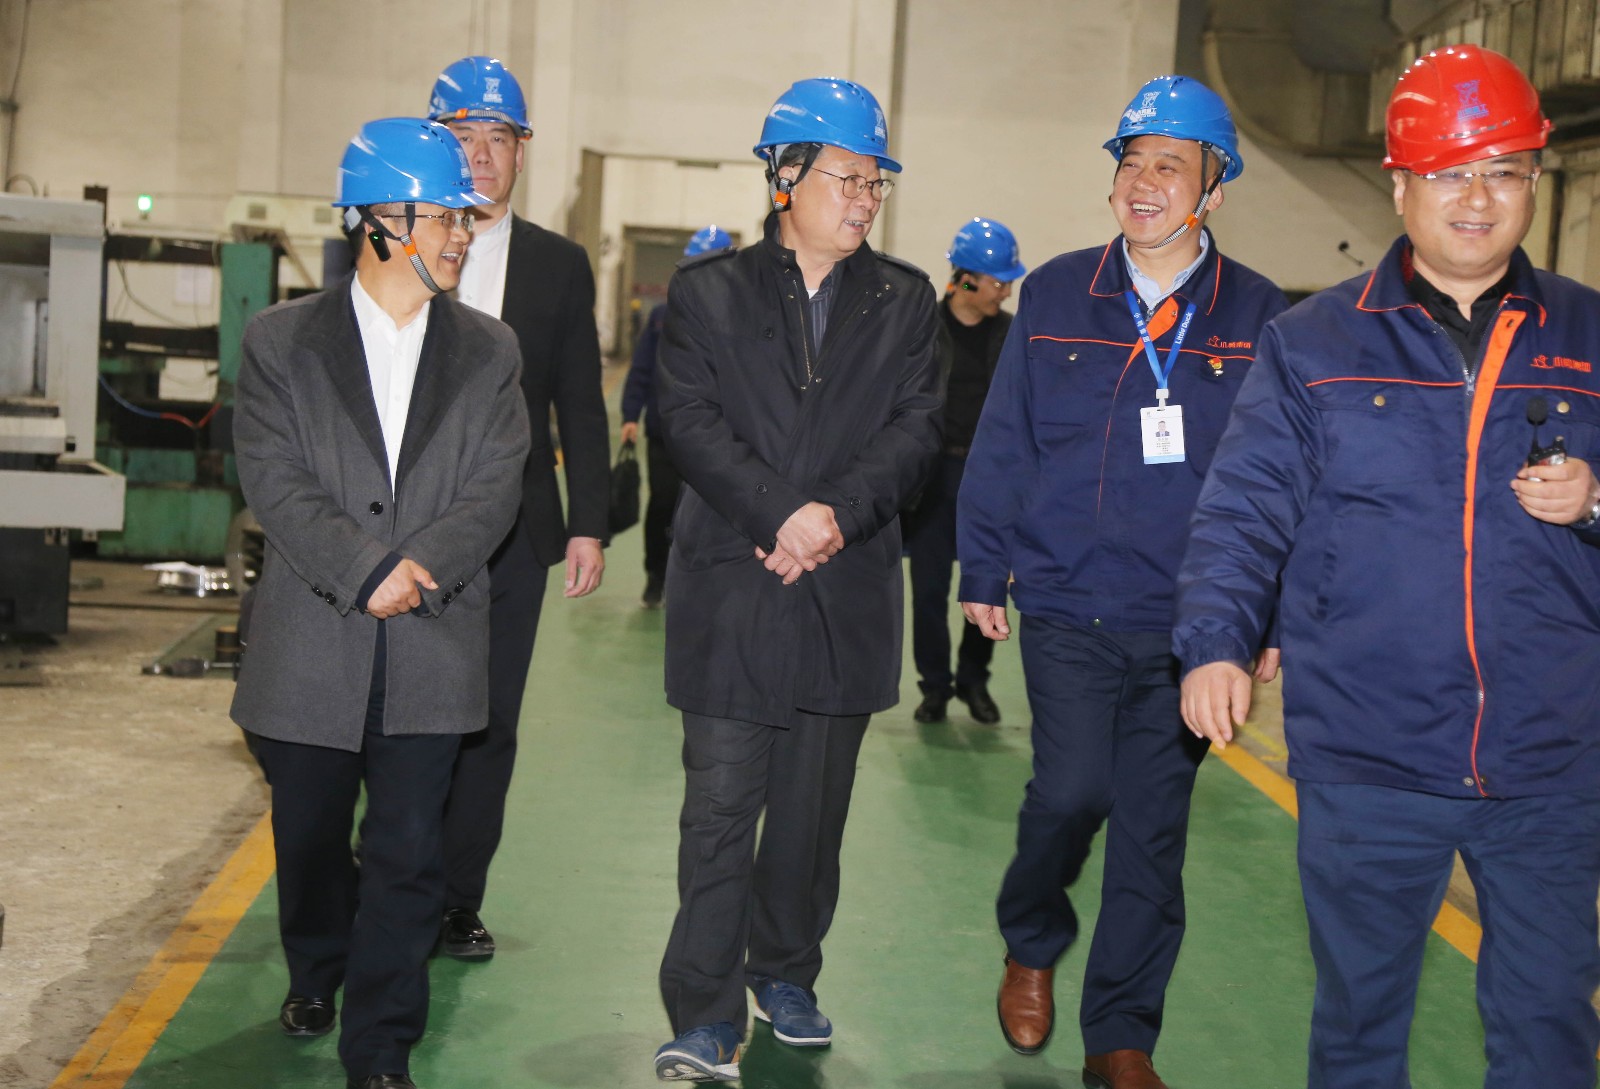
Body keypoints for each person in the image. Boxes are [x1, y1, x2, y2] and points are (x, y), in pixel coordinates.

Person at [1176, 44, 1600, 1088]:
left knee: (1548, 1026)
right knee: (1360, 1027)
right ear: (1400, 186)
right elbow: (1245, 508)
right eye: (1450, 172)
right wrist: (1217, 641)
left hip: (1550, 756)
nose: (1478, 198)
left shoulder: (1592, 333)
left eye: (1503, 171)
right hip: (1369, 749)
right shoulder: (1313, 342)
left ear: (1534, 183)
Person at [958, 77, 1287, 1089]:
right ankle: (1031, 937)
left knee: (1152, 830)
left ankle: (1120, 1036)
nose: (1143, 182)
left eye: (1169, 166)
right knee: (1070, 792)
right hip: (1067, 599)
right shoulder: (1060, 292)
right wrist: (983, 563)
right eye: (1131, 161)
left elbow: (1282, 475)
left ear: (1213, 189)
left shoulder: (1259, 313)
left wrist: (1267, 614)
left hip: (1194, 624)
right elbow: (1005, 435)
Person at [651, 77, 940, 1083]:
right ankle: (703, 1012)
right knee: (720, 811)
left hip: (842, 590)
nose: (864, 199)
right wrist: (779, 512)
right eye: (846, 178)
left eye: (875, 182)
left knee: (813, 814)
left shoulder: (905, 300)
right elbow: (689, 421)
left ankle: (785, 972)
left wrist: (832, 518)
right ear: (784, 178)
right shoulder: (707, 294)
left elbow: (915, 431)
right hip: (734, 585)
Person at [230, 118, 530, 1089]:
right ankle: (316, 966)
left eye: (465, 219)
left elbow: (496, 486)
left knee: (408, 856)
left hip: (433, 640)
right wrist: (363, 569)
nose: (462, 235)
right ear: (378, 222)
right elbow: (273, 477)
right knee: (311, 838)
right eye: (444, 216)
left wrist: (421, 565)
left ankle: (381, 1048)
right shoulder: (281, 342)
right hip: (313, 642)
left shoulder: (490, 351)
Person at [425, 55, 610, 959]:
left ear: (521, 152)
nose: (482, 155)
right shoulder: (401, 240)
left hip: (514, 530)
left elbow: (581, 398)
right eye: (464, 136)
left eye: (498, 137)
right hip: (409, 526)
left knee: (490, 720)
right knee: (402, 714)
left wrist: (589, 522)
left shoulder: (559, 265)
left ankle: (457, 897)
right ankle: (391, 877)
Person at [906, 217, 1026, 726]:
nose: (1006, 291)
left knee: (986, 583)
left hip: (989, 480)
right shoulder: (923, 332)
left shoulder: (1013, 335)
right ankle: (935, 687)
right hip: (933, 480)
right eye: (998, 282)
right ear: (966, 280)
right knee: (929, 591)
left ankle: (974, 680)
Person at [620, 225, 737, 608]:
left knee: (710, 508)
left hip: (717, 434)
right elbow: (642, 368)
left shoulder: (738, 318)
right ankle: (656, 575)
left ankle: (699, 579)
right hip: (664, 431)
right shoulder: (662, 315)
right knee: (663, 502)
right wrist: (630, 414)